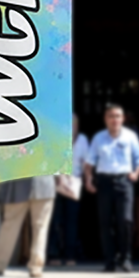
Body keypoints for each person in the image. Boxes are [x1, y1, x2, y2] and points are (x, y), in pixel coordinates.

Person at [84, 104, 139, 272]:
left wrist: (136, 174)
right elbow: (89, 162)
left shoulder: (130, 136)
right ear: (105, 119)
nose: (115, 119)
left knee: (125, 220)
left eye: (118, 116)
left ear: (123, 118)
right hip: (104, 181)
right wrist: (88, 180)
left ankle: (125, 258)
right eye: (111, 116)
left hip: (124, 181)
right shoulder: (98, 138)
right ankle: (109, 260)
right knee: (105, 222)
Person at [0, 176, 56, 278]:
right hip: (44, 184)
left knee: (10, 226)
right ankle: (36, 267)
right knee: (40, 227)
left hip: (19, 185)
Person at [48, 113, 89, 266]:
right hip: (56, 182)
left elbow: (86, 162)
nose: (72, 127)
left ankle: (70, 255)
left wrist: (88, 180)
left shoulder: (83, 140)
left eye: (74, 124)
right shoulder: (55, 138)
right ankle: (54, 254)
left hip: (74, 183)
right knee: (56, 219)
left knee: (72, 221)